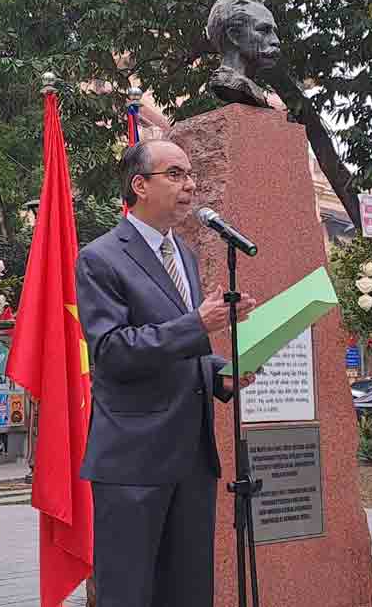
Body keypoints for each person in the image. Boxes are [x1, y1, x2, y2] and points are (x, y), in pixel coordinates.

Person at [76, 139, 258, 607]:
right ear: (140, 185)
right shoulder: (100, 258)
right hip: (134, 460)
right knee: (131, 592)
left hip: (191, 456)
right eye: (175, 174)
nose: (190, 184)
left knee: (189, 591)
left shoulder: (186, 256)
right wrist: (196, 323)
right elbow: (113, 351)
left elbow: (182, 353)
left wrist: (221, 374)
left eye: (190, 174)